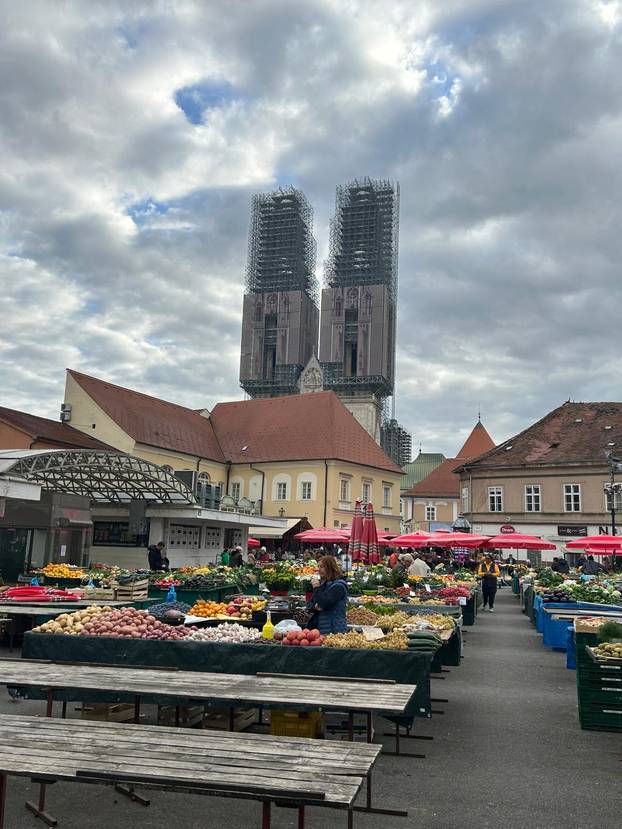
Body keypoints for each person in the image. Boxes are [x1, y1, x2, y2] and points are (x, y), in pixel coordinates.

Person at [306, 555, 349, 634]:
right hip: (322, 628)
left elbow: (325, 604)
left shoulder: (338, 586)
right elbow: (309, 605)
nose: (318, 569)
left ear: (330, 567)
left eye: (322, 567)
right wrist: (315, 607)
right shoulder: (324, 585)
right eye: (318, 566)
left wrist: (316, 588)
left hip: (334, 630)